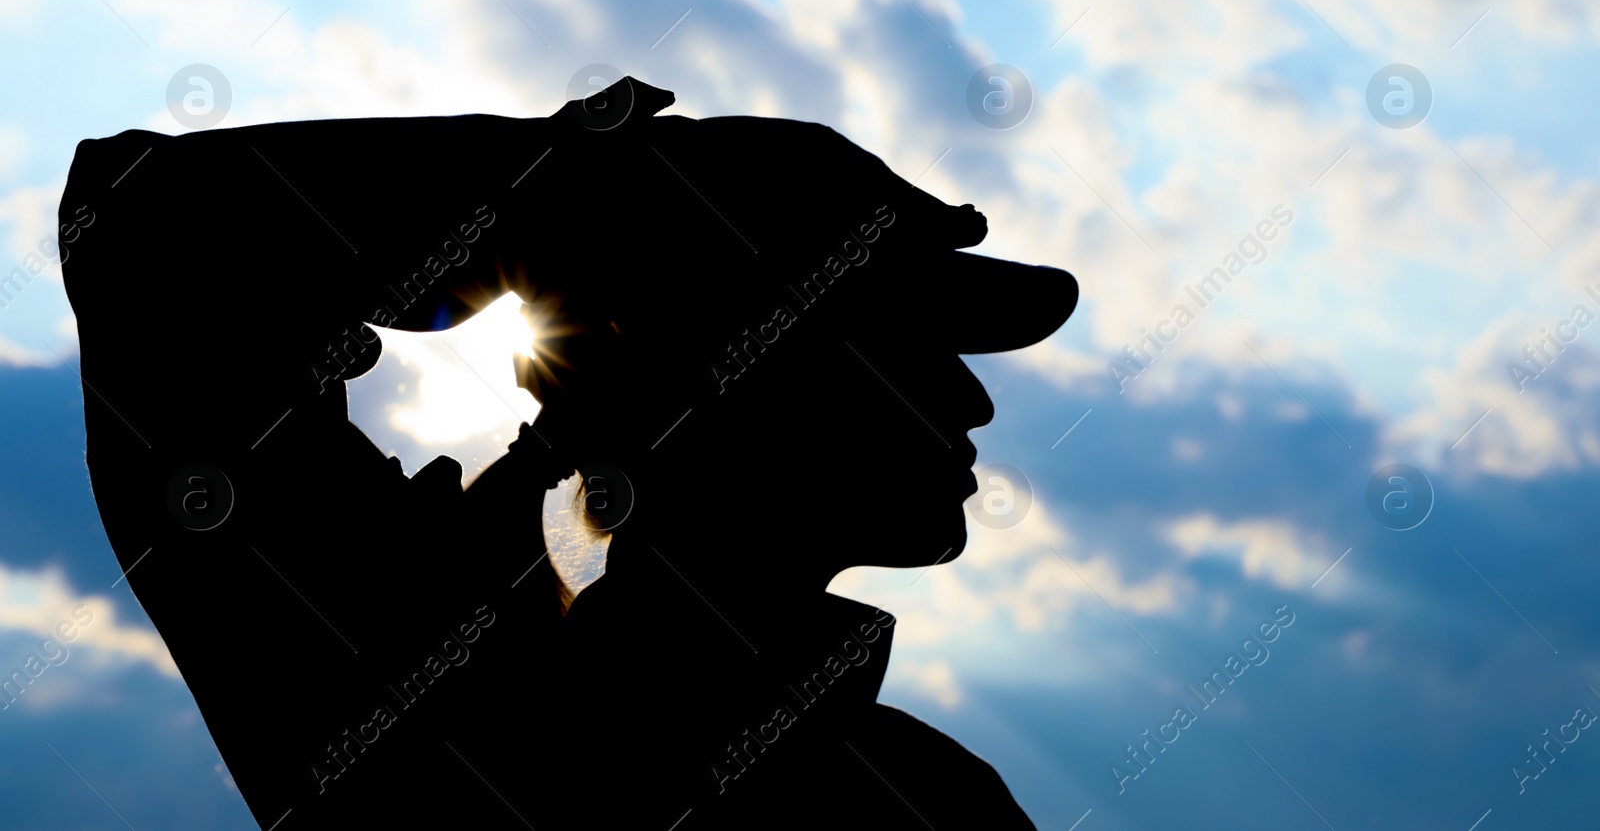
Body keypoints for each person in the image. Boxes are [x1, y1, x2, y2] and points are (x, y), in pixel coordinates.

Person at [61, 77, 1075, 828]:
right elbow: (148, 222)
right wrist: (580, 185)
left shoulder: (927, 794)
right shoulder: (429, 701)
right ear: (740, 377)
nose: (971, 398)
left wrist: (566, 187)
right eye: (906, 346)